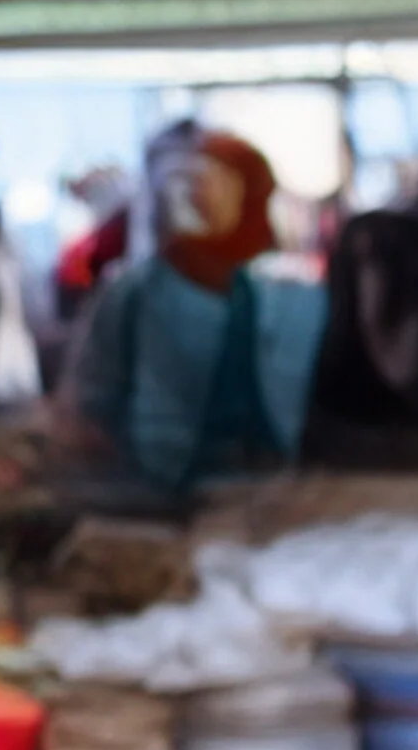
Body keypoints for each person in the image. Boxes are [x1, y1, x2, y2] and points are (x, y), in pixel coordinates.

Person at [67, 131, 326, 495]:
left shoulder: (285, 292)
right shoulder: (135, 291)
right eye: (186, 185)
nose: (195, 197)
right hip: (165, 487)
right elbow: (91, 399)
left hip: (273, 484)